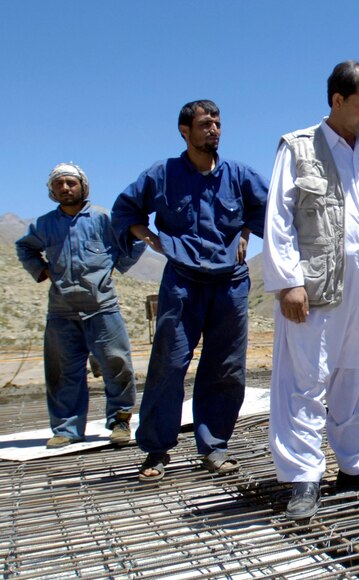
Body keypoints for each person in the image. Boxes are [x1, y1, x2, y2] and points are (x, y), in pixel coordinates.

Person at [263, 61, 359, 519]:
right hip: (318, 288)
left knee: (358, 376)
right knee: (305, 382)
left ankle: (354, 465)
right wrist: (288, 281)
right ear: (337, 101)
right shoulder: (299, 148)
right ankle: (303, 477)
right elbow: (279, 218)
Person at [112, 100, 269, 482]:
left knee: (226, 367)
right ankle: (156, 450)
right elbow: (125, 210)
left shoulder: (239, 174)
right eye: (204, 124)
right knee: (169, 362)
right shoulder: (162, 174)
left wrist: (247, 231)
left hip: (230, 283)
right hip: (182, 282)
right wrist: (144, 233)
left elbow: (272, 213)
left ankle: (214, 447)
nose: (213, 129)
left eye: (217, 122)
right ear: (185, 130)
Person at [16, 163, 143, 448]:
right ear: (52, 190)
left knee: (116, 364)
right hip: (62, 311)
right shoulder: (44, 225)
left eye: (70, 183)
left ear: (83, 187)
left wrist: (116, 265)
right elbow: (24, 247)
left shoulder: (103, 219)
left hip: (102, 306)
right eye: (58, 184)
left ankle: (120, 421)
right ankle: (67, 429)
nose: (65, 188)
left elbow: (135, 241)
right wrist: (41, 270)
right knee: (62, 371)